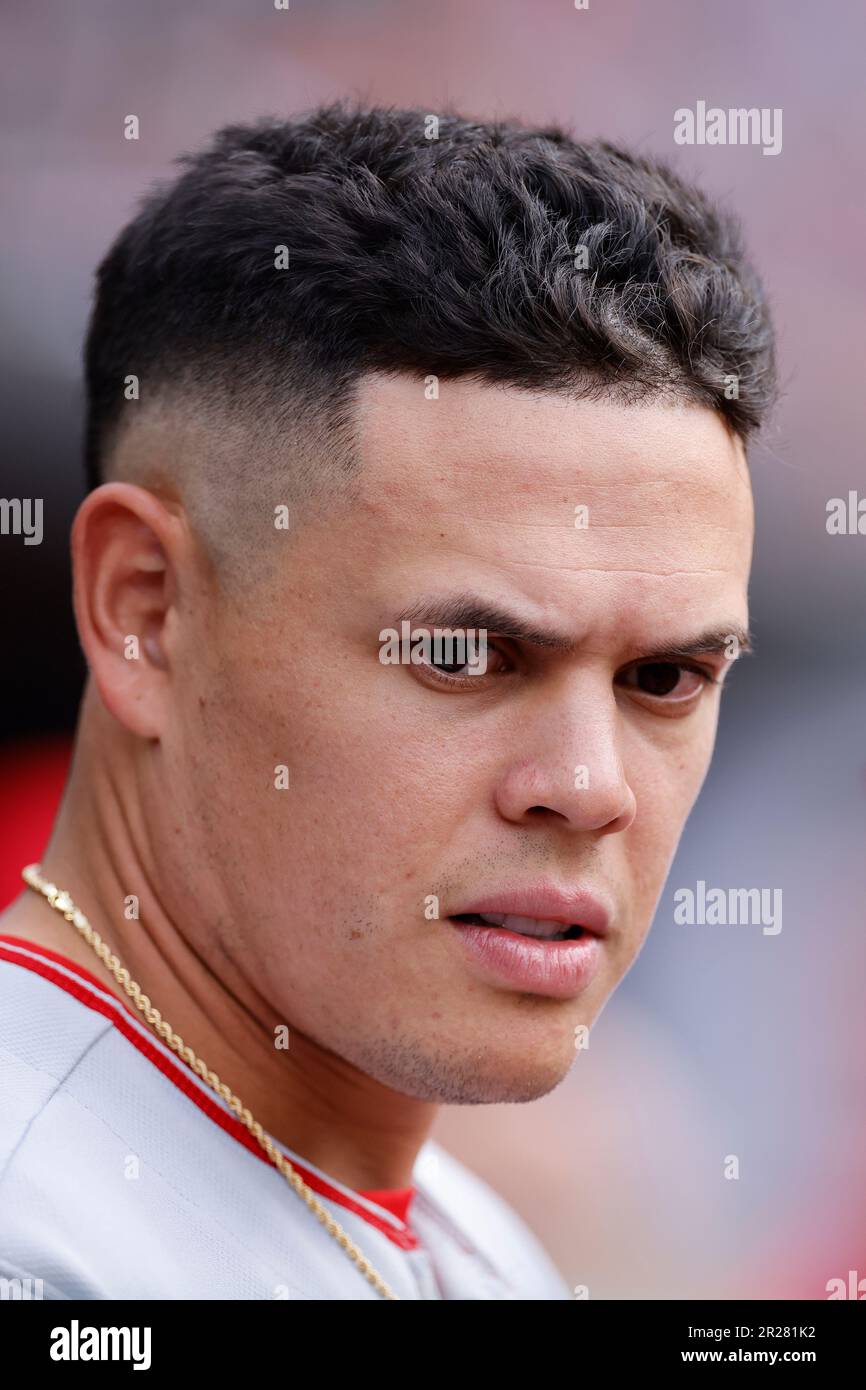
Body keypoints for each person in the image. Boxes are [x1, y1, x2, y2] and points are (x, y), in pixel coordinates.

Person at [0, 102, 775, 1300]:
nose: (587, 787)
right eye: (464, 656)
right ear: (147, 612)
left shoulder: (481, 1246)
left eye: (662, 678)